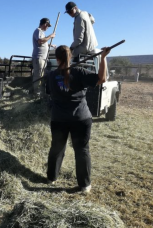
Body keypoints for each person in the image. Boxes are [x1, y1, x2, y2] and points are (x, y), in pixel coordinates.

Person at [45, 45, 111, 193]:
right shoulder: (79, 71)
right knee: (81, 150)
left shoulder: (50, 75)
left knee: (56, 149)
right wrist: (103, 58)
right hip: (80, 118)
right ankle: (85, 185)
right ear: (71, 57)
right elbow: (102, 79)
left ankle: (51, 178)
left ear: (57, 58)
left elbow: (49, 92)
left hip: (59, 119)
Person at [32, 18, 56, 96]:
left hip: (43, 58)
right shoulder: (38, 31)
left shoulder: (41, 32)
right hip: (39, 58)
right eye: (48, 26)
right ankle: (37, 94)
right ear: (45, 24)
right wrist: (50, 36)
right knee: (38, 76)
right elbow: (40, 41)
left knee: (41, 75)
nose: (48, 28)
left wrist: (50, 45)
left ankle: (40, 93)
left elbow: (43, 42)